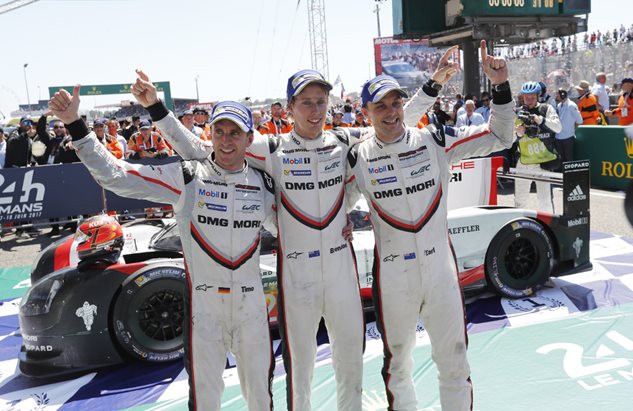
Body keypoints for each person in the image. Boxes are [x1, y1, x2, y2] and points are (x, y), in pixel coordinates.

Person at [134, 68, 366, 411]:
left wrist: (346, 208)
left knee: (351, 361)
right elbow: (200, 148)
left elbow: (391, 125)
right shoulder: (270, 147)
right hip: (296, 273)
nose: (315, 110)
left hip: (339, 265)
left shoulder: (344, 139)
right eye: (306, 102)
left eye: (321, 101)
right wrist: (156, 108)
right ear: (290, 107)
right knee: (299, 369)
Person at [49, 86, 276, 411]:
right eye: (219, 132)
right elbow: (116, 176)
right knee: (205, 401)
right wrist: (75, 124)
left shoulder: (264, 185)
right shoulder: (187, 177)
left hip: (252, 305)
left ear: (249, 138)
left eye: (235, 133)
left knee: (261, 398)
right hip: (204, 308)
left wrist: (341, 228)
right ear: (210, 134)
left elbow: (291, 228)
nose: (226, 140)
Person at [345, 41, 515, 411]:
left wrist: (501, 87)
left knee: (454, 361)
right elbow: (332, 204)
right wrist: (336, 223)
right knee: (398, 366)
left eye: (395, 103)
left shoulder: (435, 139)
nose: (390, 112)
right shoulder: (357, 156)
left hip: (440, 270)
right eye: (380, 106)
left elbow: (502, 136)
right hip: (394, 276)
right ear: (365, 112)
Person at [514, 81, 562, 213]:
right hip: (524, 162)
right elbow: (508, 139)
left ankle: (549, 224)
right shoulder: (517, 113)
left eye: (532, 97)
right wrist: (517, 134)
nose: (529, 99)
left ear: (538, 96)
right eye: (526, 97)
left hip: (543, 162)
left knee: (545, 201)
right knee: (520, 200)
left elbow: (558, 128)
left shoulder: (546, 109)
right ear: (522, 97)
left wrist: (540, 120)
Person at [555, 88, 583, 165]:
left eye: (558, 95)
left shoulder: (571, 106)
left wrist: (571, 130)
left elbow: (579, 120)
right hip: (558, 137)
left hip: (568, 137)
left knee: (568, 159)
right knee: (560, 159)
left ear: (562, 95)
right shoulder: (559, 105)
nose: (556, 96)